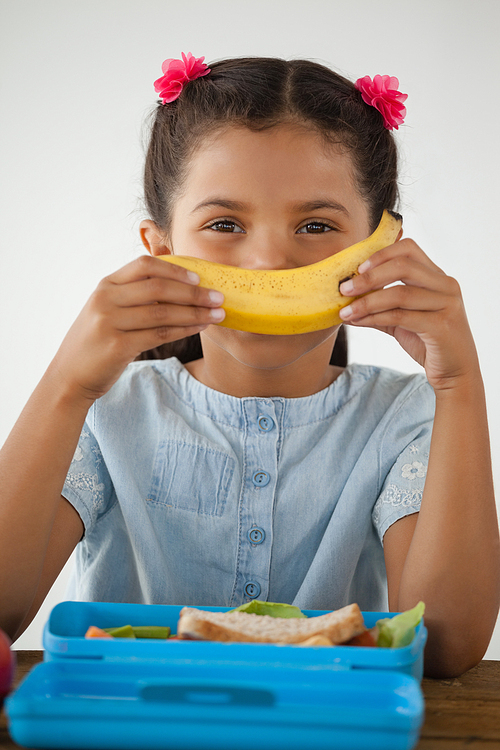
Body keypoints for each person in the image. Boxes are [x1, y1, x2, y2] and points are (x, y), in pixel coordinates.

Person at [0, 54, 498, 678]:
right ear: (161, 251)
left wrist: (459, 384)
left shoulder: (406, 418)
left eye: (316, 224)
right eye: (225, 223)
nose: (267, 261)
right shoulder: (106, 410)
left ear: (381, 252)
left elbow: (448, 647)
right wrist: (65, 386)